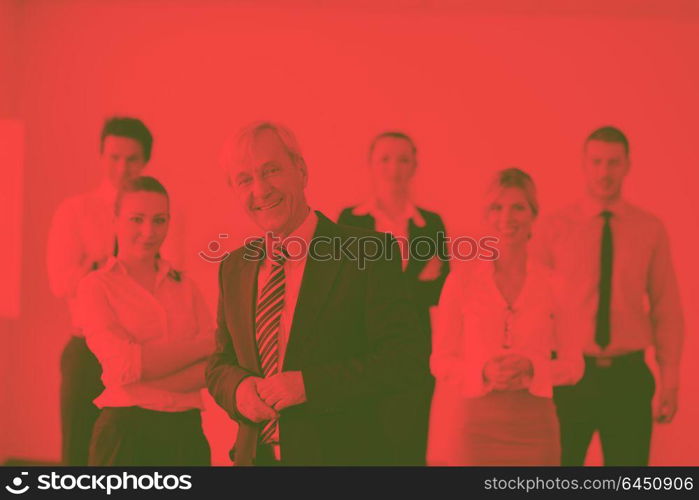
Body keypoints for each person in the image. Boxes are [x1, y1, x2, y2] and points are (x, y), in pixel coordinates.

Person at [206, 122, 428, 465]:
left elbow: (404, 361)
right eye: (245, 179)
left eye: (271, 170)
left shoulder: (368, 252)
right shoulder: (234, 267)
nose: (261, 189)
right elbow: (220, 364)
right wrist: (237, 391)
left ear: (301, 170)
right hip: (255, 461)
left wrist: (309, 385)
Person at [534, 126, 684, 465]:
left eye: (613, 162)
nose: (605, 172)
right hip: (569, 375)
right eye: (597, 161)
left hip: (627, 377)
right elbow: (533, 307)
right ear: (584, 164)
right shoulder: (554, 228)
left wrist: (670, 380)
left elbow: (666, 308)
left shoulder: (649, 229)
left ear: (628, 165)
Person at [427, 168, 583, 466]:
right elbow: (440, 361)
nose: (507, 217)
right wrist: (482, 371)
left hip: (535, 429)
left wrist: (533, 369)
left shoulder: (555, 285)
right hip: (475, 429)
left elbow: (574, 366)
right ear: (486, 216)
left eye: (518, 207)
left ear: (533, 215)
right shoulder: (461, 283)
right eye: (497, 207)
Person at [76, 176, 214, 465]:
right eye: (136, 219)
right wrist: (203, 345)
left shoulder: (186, 287)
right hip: (125, 434)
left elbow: (214, 366)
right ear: (115, 220)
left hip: (186, 435)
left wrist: (143, 376)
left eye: (160, 220)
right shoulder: (95, 287)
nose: (149, 231)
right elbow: (124, 365)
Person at [47, 116, 153, 465]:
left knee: (133, 456)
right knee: (78, 455)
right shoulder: (74, 211)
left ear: (145, 161)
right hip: (87, 350)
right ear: (100, 156)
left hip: (140, 351)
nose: (122, 167)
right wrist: (103, 266)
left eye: (132, 159)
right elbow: (60, 282)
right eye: (114, 157)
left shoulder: (159, 215)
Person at [338, 131, 449, 464]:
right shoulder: (349, 221)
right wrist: (415, 282)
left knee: (410, 448)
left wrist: (384, 288)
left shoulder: (430, 224)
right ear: (370, 165)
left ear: (415, 165)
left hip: (416, 354)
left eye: (403, 159)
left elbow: (442, 291)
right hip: (362, 352)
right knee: (365, 449)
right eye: (385, 158)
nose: (394, 167)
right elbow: (347, 291)